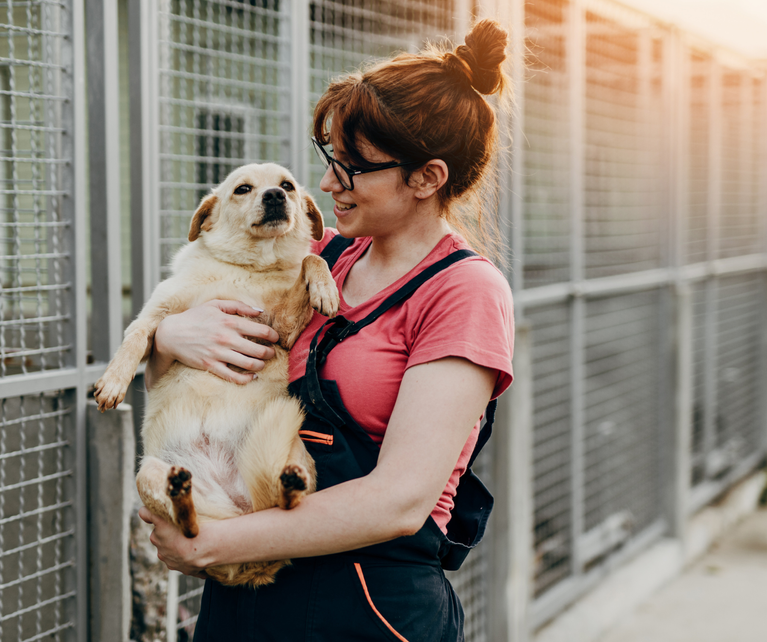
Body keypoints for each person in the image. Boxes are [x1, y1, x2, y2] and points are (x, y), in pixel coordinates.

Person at [140, 19, 516, 641]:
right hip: (251, 589)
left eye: (354, 166)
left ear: (427, 178)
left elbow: (399, 501)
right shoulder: (325, 257)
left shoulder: (464, 292)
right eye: (330, 158)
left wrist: (216, 543)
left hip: (367, 603)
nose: (326, 182)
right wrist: (169, 339)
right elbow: (188, 379)